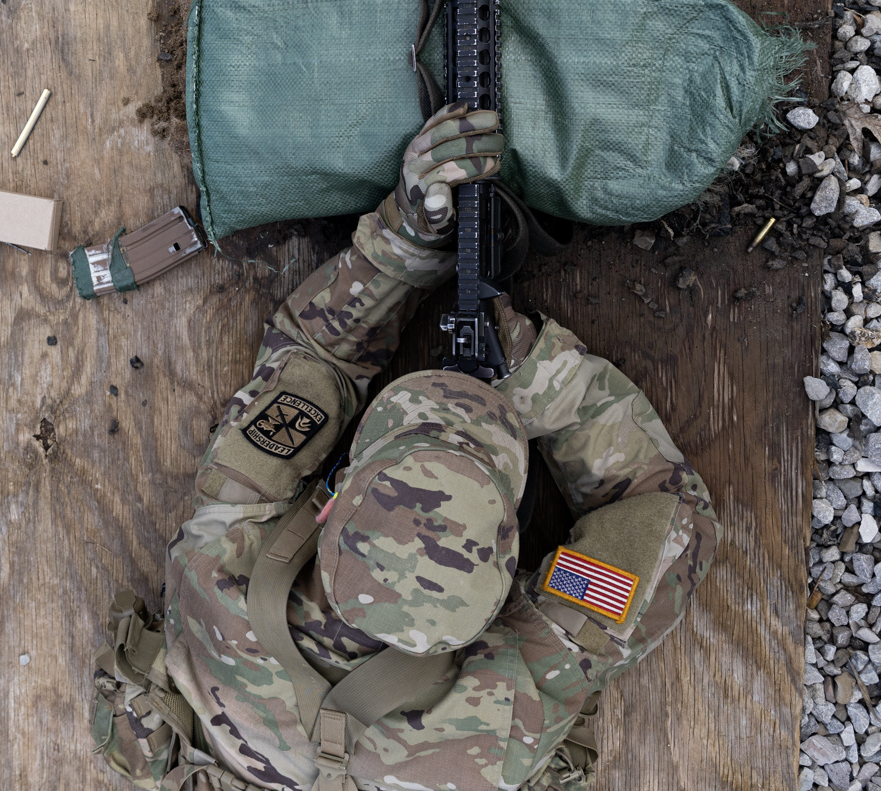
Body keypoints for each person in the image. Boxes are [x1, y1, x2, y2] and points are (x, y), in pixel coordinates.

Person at [91, 104, 723, 791]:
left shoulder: (217, 572)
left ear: (330, 502)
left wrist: (408, 236)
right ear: (514, 575)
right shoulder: (513, 705)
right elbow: (666, 517)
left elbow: (311, 361)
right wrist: (546, 379)